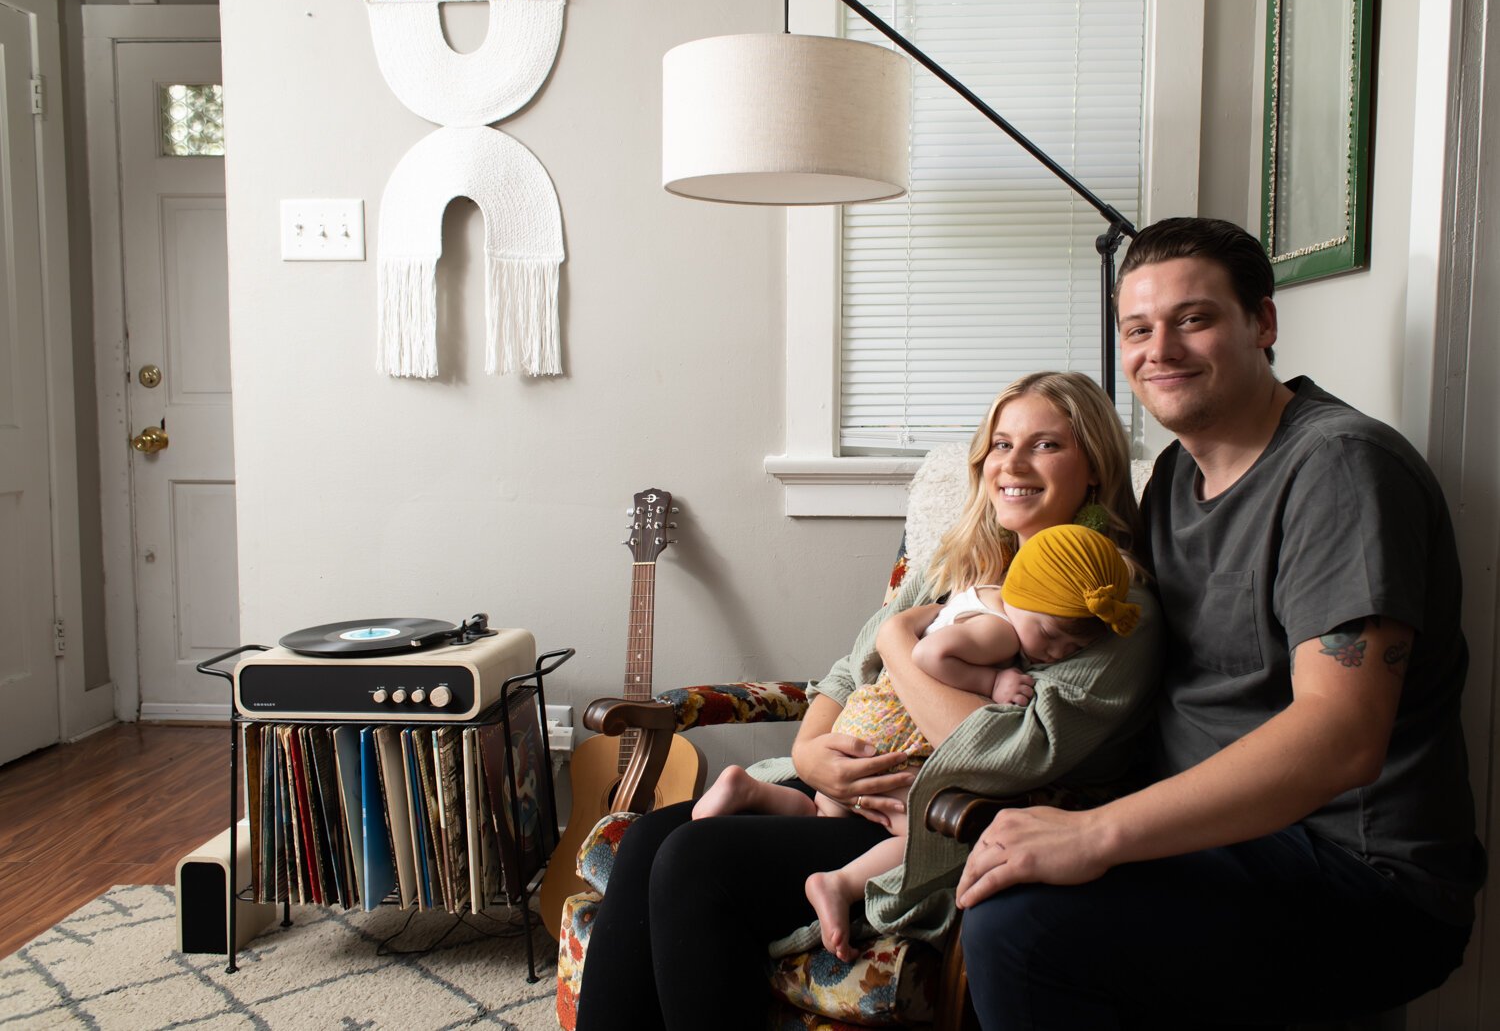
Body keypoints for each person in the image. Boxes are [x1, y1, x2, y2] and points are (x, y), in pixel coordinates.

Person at [954, 217, 1485, 1028]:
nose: (1158, 349)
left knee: (1019, 930)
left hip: (1358, 870)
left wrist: (1096, 832)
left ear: (1263, 324)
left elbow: (1342, 736)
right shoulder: (1172, 476)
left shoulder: (1339, 470)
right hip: (1212, 835)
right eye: (1138, 328)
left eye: (1193, 319)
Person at [574, 371, 1162, 1031]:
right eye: (1000, 444)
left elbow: (1002, 757)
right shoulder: (959, 562)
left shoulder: (1108, 604)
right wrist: (810, 752)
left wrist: (897, 638)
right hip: (846, 782)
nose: (1013, 464)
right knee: (653, 835)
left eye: (1046, 445)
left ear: (1095, 468)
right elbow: (846, 674)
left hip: (932, 822)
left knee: (694, 861)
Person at [690, 524, 1142, 962]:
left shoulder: (979, 589)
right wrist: (994, 678)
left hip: (865, 721)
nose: (1056, 653)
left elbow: (1018, 747)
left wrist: (895, 637)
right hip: (895, 735)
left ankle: (748, 789)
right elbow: (926, 655)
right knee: (930, 837)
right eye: (1050, 636)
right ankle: (842, 884)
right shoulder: (1000, 629)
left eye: (1070, 649)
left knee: (803, 816)